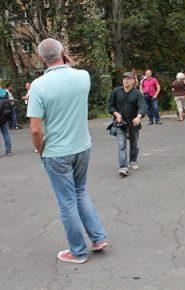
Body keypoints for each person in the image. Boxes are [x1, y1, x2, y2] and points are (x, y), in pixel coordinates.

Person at [27, 38, 107, 264]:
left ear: (41, 59)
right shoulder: (83, 77)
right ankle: (98, 238)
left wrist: (40, 149)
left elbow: (35, 129)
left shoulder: (38, 86)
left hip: (56, 151)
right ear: (64, 52)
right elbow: (71, 75)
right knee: (80, 191)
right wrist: (66, 61)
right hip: (82, 146)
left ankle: (78, 252)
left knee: (67, 202)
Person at [108, 72, 146, 177]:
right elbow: (110, 106)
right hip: (121, 124)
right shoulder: (116, 91)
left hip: (134, 124)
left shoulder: (137, 93)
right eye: (124, 78)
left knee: (134, 145)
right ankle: (123, 167)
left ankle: (133, 161)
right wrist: (116, 114)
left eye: (129, 78)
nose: (126, 80)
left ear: (133, 81)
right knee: (121, 146)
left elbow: (142, 107)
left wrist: (138, 117)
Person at [0, 80, 12, 156]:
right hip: (4, 115)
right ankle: (8, 150)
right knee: (5, 133)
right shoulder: (5, 92)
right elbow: (9, 102)